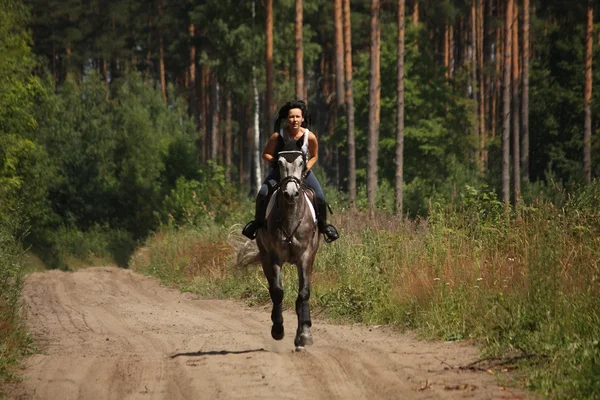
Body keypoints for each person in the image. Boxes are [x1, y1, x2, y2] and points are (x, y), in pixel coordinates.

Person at [242, 100, 339, 243]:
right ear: (287, 119)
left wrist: (307, 168)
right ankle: (258, 223)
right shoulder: (278, 136)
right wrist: (276, 162)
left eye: (297, 117)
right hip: (281, 172)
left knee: (319, 196)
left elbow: (314, 156)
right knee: (263, 192)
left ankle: (324, 226)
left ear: (303, 119)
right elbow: (265, 154)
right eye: (291, 117)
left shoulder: (309, 136)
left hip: (302, 173)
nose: (294, 120)